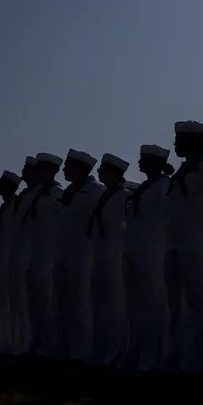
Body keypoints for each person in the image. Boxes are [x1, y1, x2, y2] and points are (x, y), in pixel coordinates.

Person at [165, 120, 203, 372]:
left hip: (197, 243)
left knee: (198, 303)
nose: (175, 145)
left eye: (180, 141)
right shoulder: (184, 171)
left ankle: (199, 360)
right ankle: (178, 357)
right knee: (177, 306)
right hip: (177, 243)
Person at [122, 145, 172, 371]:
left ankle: (155, 356)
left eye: (145, 159)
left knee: (154, 305)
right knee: (137, 307)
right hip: (135, 250)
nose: (140, 163)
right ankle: (138, 352)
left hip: (153, 251)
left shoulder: (163, 186)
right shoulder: (144, 187)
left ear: (156, 163)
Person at [53, 149, 103, 361]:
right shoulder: (70, 192)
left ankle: (83, 352)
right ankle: (67, 350)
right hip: (65, 254)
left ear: (81, 169)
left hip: (85, 254)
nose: (64, 170)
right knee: (65, 306)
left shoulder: (94, 191)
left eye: (68, 166)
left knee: (83, 305)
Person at [90, 153, 130, 366]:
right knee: (103, 304)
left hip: (116, 252)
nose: (99, 173)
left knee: (116, 303)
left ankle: (118, 350)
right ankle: (105, 349)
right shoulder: (105, 195)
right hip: (102, 252)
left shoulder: (124, 196)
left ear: (115, 173)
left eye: (103, 170)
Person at [24, 152, 64, 356]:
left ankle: (50, 345)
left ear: (52, 171)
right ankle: (38, 343)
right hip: (36, 253)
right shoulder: (39, 194)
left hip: (50, 254)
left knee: (48, 302)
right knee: (36, 302)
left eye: (42, 169)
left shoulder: (57, 194)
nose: (38, 173)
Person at [8, 156, 38, 354]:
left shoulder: (40, 195)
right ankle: (19, 343)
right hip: (19, 253)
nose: (22, 173)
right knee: (19, 302)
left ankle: (31, 344)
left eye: (26, 170)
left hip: (33, 254)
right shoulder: (25, 196)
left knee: (33, 303)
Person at [0, 170, 22, 353]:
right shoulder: (6, 205)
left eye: (0, 183)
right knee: (2, 302)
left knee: (14, 303)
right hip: (3, 259)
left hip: (13, 258)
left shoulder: (17, 204)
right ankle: (3, 344)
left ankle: (15, 344)